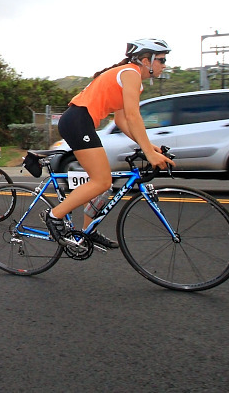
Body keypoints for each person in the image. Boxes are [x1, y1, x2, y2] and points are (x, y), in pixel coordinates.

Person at [45, 38, 176, 249]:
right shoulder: (131, 73)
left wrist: (149, 146)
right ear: (145, 60)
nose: (164, 64)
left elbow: (122, 120)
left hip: (81, 122)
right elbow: (134, 117)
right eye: (161, 60)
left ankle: (88, 231)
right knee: (102, 180)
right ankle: (54, 216)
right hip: (78, 121)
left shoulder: (130, 76)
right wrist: (148, 152)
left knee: (103, 181)